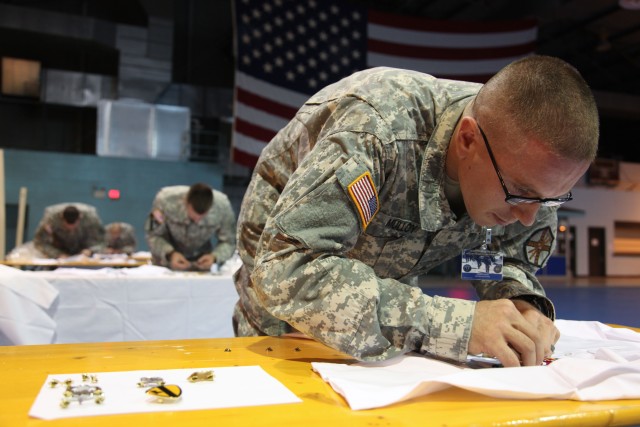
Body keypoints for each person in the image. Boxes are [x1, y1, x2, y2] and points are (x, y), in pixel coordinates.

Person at [233, 55, 599, 368]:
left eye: (552, 200)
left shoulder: (526, 172)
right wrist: (456, 324)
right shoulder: (378, 128)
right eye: (520, 194)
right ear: (468, 139)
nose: (529, 217)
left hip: (386, 310)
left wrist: (519, 305)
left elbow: (501, 259)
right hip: (283, 318)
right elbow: (286, 270)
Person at [145, 183, 236, 271]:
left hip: (202, 263)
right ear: (185, 201)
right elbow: (153, 236)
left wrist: (215, 257)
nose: (197, 220)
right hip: (167, 263)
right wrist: (170, 254)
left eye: (202, 217)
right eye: (194, 216)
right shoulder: (164, 200)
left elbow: (229, 241)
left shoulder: (223, 206)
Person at [33, 203, 105, 258]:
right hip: (59, 253)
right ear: (62, 218)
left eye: (74, 225)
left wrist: (91, 250)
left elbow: (102, 240)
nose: (71, 228)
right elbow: (40, 242)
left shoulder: (91, 217)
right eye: (67, 225)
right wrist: (57, 254)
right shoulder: (51, 219)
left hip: (84, 253)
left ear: (80, 217)